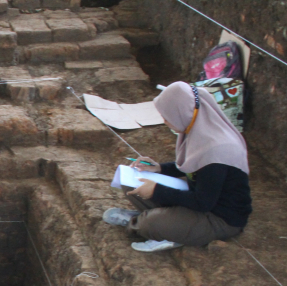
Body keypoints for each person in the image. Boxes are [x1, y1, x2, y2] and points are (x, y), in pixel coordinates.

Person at [103, 81, 252, 252]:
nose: (165, 121)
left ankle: (145, 223)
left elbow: (203, 203)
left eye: (168, 116)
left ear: (183, 113)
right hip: (198, 200)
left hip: (219, 218)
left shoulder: (217, 149)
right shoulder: (200, 131)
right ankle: (163, 222)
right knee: (132, 180)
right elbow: (194, 166)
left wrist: (157, 191)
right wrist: (159, 168)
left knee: (150, 224)